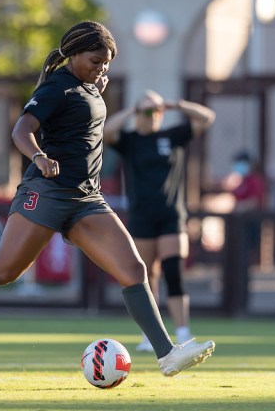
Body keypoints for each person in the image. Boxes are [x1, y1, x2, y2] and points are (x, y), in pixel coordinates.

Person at [0, 21, 215, 377]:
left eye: (107, 63)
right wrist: (38, 157)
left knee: (133, 269)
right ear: (74, 54)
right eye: (95, 61)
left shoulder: (90, 85)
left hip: (86, 197)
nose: (101, 68)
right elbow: (21, 130)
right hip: (46, 191)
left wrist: (95, 84)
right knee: (3, 272)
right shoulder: (56, 87)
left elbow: (85, 121)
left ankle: (166, 354)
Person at [103, 89, 215, 352]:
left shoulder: (172, 135)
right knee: (146, 275)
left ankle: (184, 333)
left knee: (173, 273)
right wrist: (133, 109)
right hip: (142, 216)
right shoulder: (130, 140)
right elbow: (108, 132)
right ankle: (151, 335)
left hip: (170, 215)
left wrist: (175, 104)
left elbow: (207, 118)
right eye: (147, 111)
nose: (153, 115)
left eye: (157, 110)